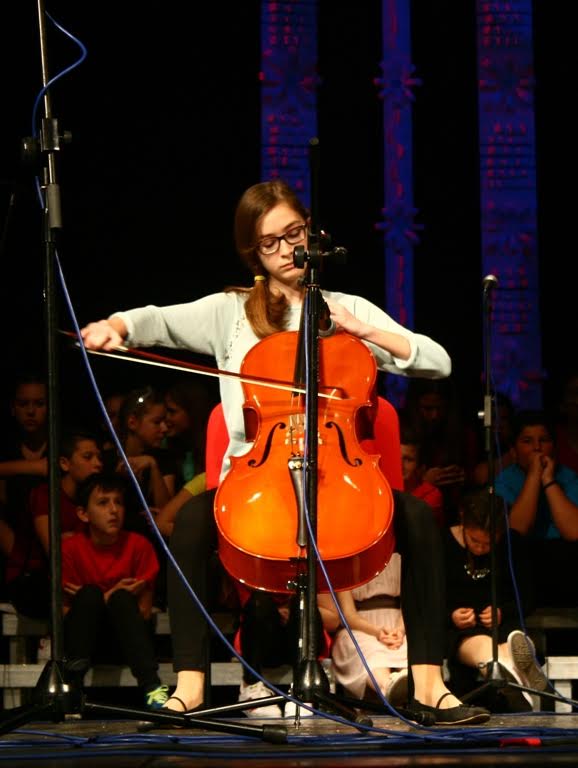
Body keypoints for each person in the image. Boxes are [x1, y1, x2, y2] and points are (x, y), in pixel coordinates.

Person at [80, 178, 490, 725]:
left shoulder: (345, 311)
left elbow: (437, 362)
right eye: (269, 242)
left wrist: (363, 330)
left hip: (337, 480)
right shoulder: (232, 311)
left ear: (311, 232)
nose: (285, 250)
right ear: (254, 252)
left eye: (292, 234)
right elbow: (159, 320)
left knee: (416, 517)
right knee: (194, 523)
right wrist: (116, 326)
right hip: (258, 485)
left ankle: (431, 685)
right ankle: (191, 687)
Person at [61, 472, 169, 710]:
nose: (113, 510)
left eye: (118, 502)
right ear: (83, 513)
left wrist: (111, 597)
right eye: (103, 503)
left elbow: (143, 613)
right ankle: (72, 689)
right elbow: (67, 615)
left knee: (120, 598)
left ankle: (153, 688)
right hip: (84, 643)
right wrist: (103, 597)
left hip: (126, 642)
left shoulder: (139, 546)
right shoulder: (69, 549)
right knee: (90, 595)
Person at [443, 487, 547, 712]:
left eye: (489, 543)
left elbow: (526, 598)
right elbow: (429, 595)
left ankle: (511, 662)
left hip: (503, 624)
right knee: (482, 644)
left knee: (511, 639)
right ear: (463, 523)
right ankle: (508, 668)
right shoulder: (442, 543)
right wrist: (452, 615)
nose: (481, 549)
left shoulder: (512, 545)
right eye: (475, 541)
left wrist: (501, 612)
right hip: (460, 630)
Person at [495, 408, 578, 609]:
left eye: (544, 440)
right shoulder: (505, 480)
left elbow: (574, 532)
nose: (537, 448)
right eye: (527, 441)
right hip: (525, 559)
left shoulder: (568, 477)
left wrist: (548, 480)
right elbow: (517, 530)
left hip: (564, 558)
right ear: (514, 451)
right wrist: (534, 475)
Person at [327, 554, 409, 708]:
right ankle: (388, 688)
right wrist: (377, 632)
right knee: (370, 651)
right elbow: (349, 615)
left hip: (398, 624)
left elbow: (409, 604)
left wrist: (400, 629)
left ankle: (410, 692)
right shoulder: (346, 562)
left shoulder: (400, 558)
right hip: (361, 626)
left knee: (410, 648)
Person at [399, 421, 445, 527]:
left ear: (421, 468)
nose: (399, 464)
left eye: (408, 460)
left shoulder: (432, 495)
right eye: (396, 456)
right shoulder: (382, 489)